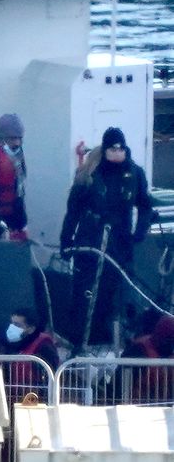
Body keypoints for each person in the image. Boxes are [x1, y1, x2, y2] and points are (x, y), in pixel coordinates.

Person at [59, 127, 151, 350]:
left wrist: (139, 232)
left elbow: (145, 205)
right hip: (90, 240)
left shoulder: (134, 173)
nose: (117, 152)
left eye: (121, 148)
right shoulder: (89, 174)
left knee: (117, 291)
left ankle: (116, 338)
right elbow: (73, 211)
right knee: (87, 290)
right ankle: (82, 339)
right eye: (112, 148)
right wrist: (66, 240)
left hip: (120, 242)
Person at [119, 314, 173, 404]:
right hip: (135, 403)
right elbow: (121, 384)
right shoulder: (139, 350)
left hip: (164, 405)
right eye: (170, 341)